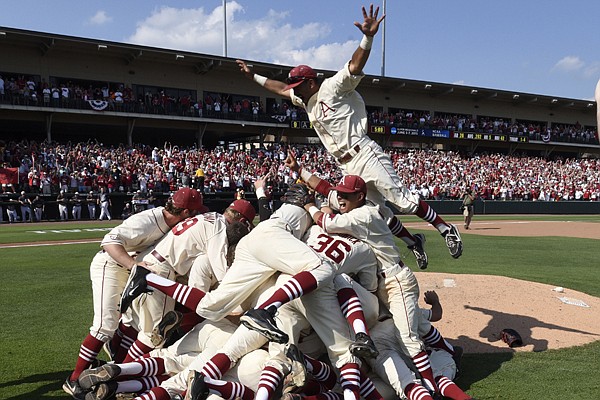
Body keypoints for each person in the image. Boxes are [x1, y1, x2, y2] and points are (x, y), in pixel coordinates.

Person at [238, 4, 462, 267]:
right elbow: (280, 88)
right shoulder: (304, 99)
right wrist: (254, 76)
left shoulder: (333, 87)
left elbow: (355, 65)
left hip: (364, 152)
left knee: (402, 200)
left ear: (311, 81)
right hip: (346, 164)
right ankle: (413, 242)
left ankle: (446, 229)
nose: (295, 91)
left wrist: (367, 37)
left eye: (300, 85)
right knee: (377, 214)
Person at [63, 187, 208, 400]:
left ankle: (115, 369)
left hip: (134, 269)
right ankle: (74, 380)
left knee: (135, 322)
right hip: (111, 265)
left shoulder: (172, 224)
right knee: (104, 326)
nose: (194, 218)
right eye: (194, 213)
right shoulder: (149, 219)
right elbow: (109, 241)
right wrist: (134, 265)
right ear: (185, 212)